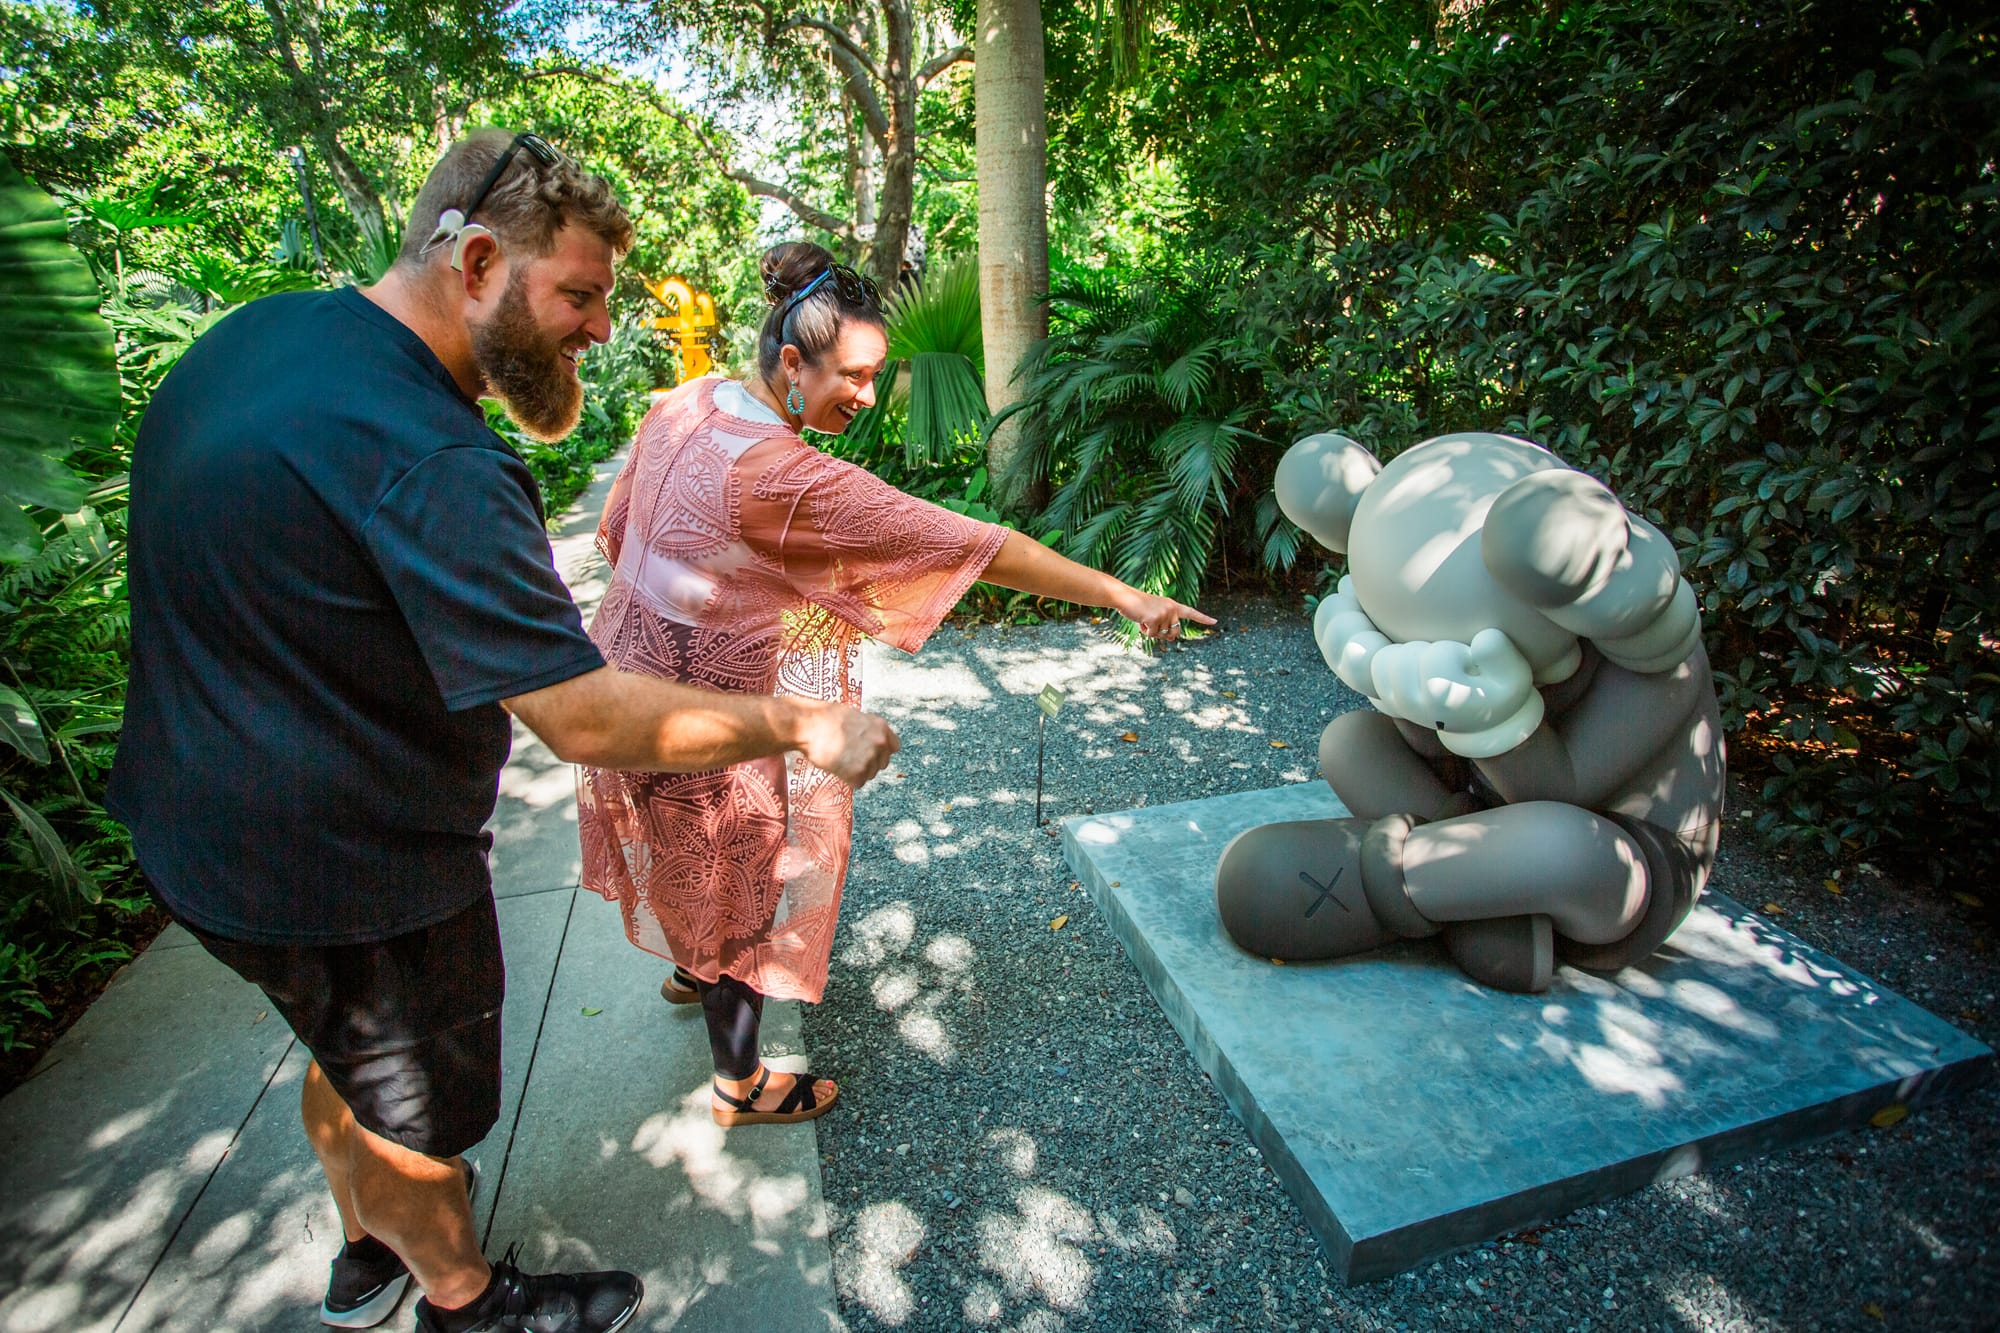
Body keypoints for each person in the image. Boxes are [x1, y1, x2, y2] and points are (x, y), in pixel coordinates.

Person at [106, 136, 898, 1333]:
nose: (595, 331)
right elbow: (579, 713)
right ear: (477, 260)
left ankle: (366, 1251)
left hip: (194, 823)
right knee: (416, 1113)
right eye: (577, 295)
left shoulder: (259, 338)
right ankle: (468, 1301)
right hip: (350, 864)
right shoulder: (436, 457)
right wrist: (798, 719)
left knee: (342, 1054)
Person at [577, 241, 1214, 1130]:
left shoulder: (689, 402)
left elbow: (618, 529)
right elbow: (974, 545)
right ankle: (740, 1084)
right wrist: (1125, 593)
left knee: (691, 866)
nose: (870, 398)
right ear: (792, 363)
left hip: (623, 683)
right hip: (710, 720)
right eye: (857, 375)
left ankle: (693, 965)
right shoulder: (787, 477)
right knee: (738, 880)